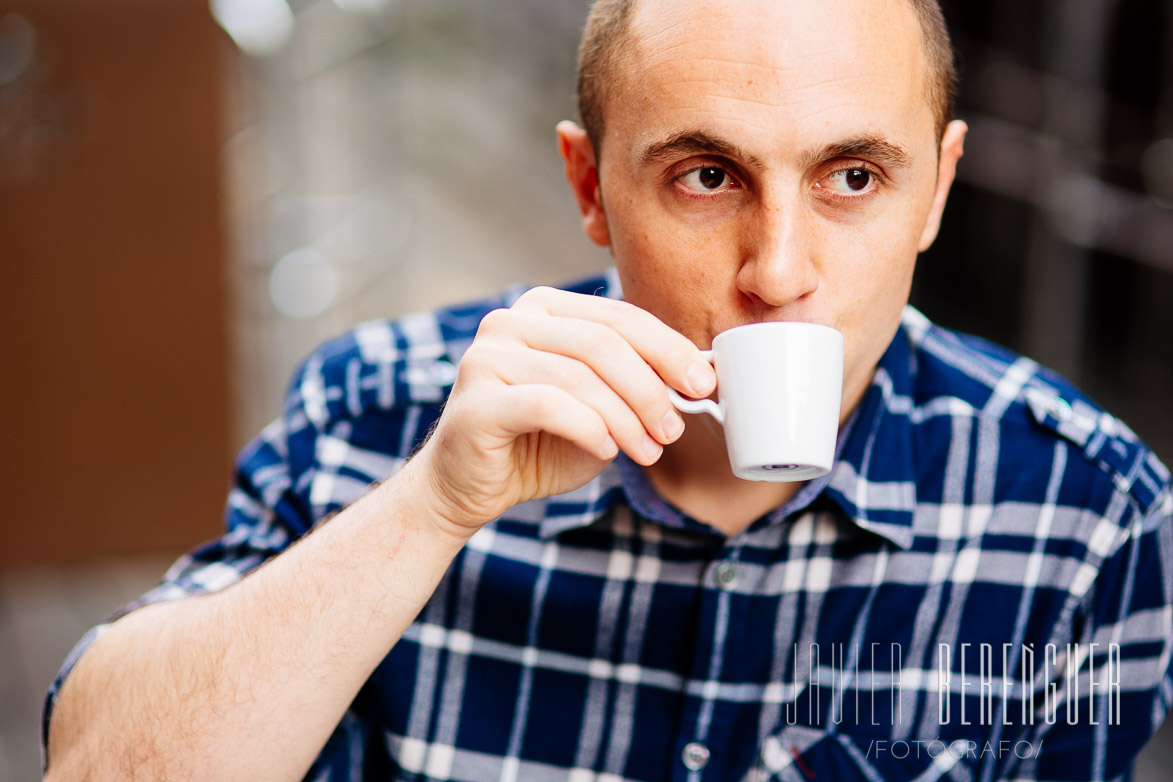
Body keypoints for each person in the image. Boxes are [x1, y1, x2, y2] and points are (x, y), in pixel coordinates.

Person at [43, 0, 1172, 779]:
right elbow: (94, 764)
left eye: (854, 176)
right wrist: (431, 508)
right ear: (590, 186)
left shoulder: (1086, 516)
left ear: (936, 194)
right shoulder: (379, 414)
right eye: (706, 174)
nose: (778, 269)